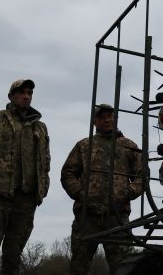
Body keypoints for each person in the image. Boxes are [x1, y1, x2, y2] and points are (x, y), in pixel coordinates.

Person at [0, 78, 50, 275]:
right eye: (21, 93)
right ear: (11, 96)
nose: (26, 96)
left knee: (14, 257)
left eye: (29, 93)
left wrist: (42, 190)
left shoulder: (40, 127)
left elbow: (45, 162)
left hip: (26, 199)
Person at [61, 104, 144, 275]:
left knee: (123, 267)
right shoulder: (84, 145)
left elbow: (142, 176)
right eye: (102, 116)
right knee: (79, 266)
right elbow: (67, 173)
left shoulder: (129, 146)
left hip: (117, 216)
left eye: (111, 116)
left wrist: (127, 192)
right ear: (95, 121)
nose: (107, 119)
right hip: (86, 217)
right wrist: (81, 194)